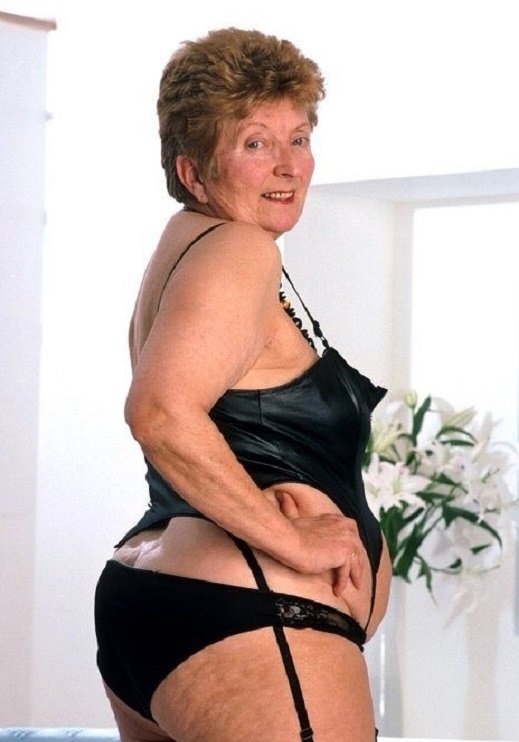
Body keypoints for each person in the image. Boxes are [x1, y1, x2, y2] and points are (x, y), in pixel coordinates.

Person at [94, 27, 391, 742]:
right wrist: (293, 542)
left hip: (165, 600)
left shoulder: (185, 244)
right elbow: (159, 413)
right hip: (253, 619)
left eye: (299, 138)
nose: (287, 165)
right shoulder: (238, 248)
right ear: (192, 170)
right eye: (256, 142)